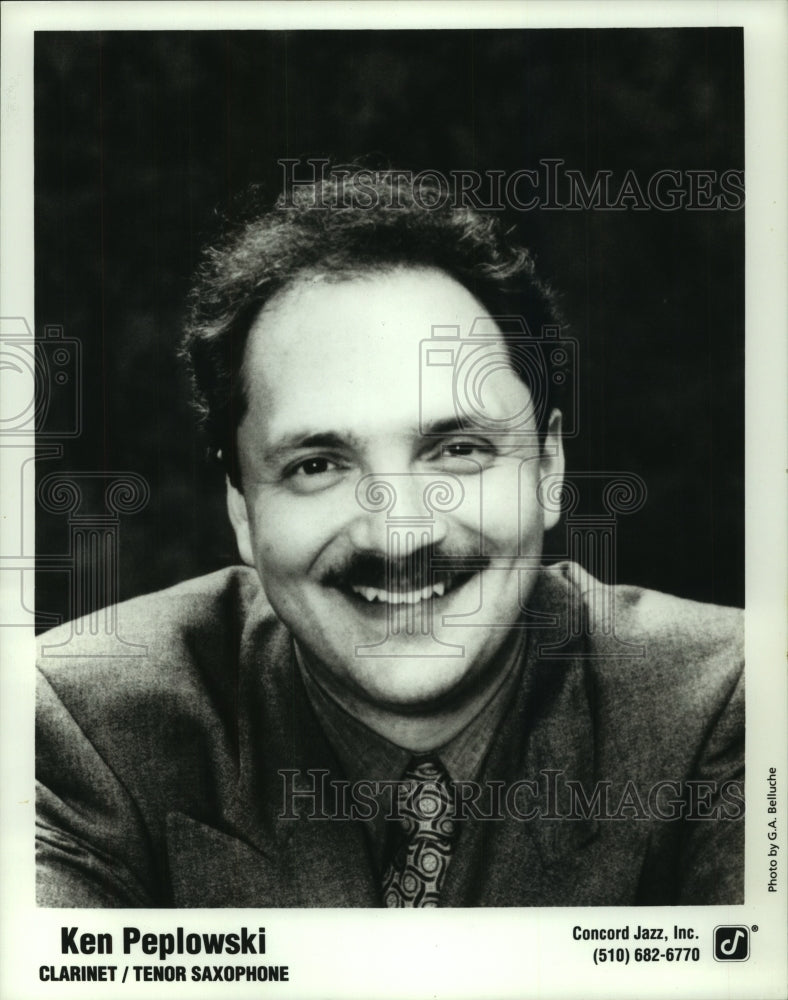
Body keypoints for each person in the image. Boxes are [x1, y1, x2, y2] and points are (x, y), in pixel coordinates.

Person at [36, 170, 743, 907]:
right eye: (318, 465)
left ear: (549, 467)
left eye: (457, 450)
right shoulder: (79, 731)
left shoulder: (729, 704)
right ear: (242, 508)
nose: (399, 531)